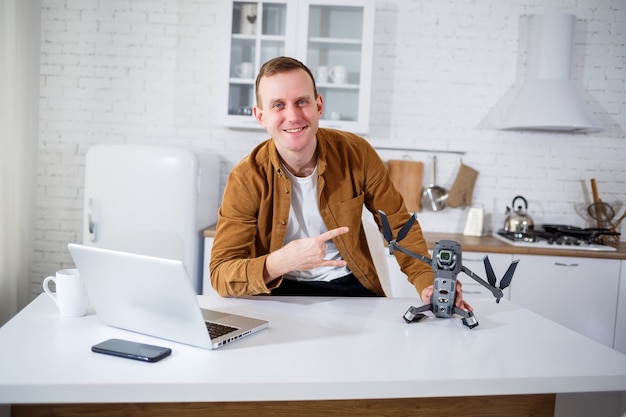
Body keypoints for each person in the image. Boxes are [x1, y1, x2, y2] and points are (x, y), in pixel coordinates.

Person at [210, 56, 471, 311]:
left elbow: (399, 226)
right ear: (260, 116)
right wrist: (281, 262)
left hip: (350, 288)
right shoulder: (246, 178)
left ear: (319, 105)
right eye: (278, 105)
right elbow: (221, 273)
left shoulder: (357, 153)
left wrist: (427, 282)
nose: (292, 115)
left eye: (302, 101)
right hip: (276, 291)